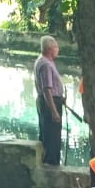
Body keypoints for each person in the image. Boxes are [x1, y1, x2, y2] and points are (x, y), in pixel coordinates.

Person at [34, 35, 65, 166]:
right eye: (56, 47)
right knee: (51, 138)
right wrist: (54, 111)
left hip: (51, 101)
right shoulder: (45, 64)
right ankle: (51, 167)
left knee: (49, 135)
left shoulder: (46, 61)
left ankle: (50, 162)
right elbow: (47, 89)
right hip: (49, 103)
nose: (58, 49)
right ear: (49, 49)